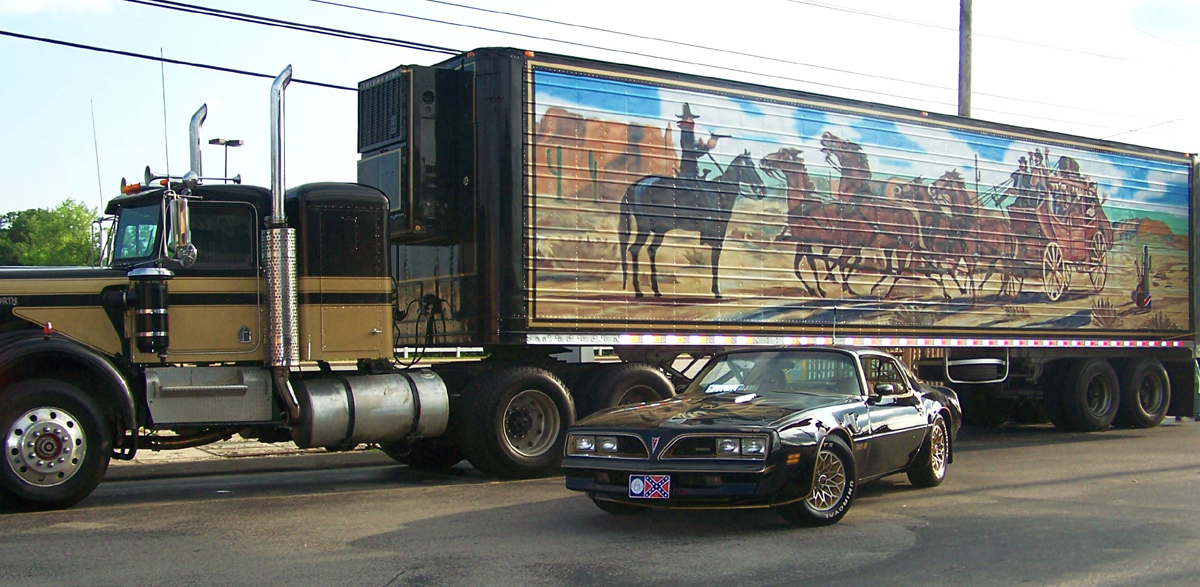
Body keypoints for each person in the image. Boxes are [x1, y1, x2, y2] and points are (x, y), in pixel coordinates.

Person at [675, 103, 721, 179]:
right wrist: (706, 147)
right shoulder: (686, 133)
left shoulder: (688, 132)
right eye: (689, 119)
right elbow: (692, 152)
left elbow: (693, 146)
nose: (692, 121)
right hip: (688, 170)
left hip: (691, 170)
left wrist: (701, 145)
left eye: (691, 119)